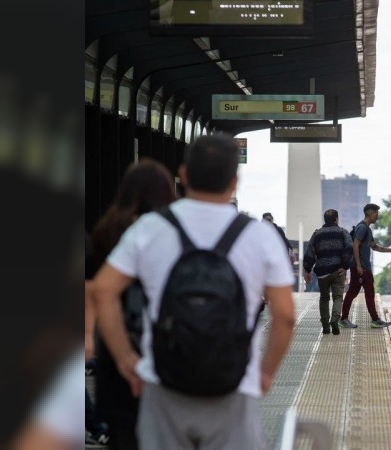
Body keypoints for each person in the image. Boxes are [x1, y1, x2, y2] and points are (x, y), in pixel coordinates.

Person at [93, 134, 296, 450]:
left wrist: (125, 358)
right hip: (234, 387)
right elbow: (284, 315)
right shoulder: (259, 235)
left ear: (184, 175)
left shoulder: (150, 227)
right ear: (234, 181)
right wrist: (264, 373)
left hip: (162, 383)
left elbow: (103, 290)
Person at [87, 158, 176, 450]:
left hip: (114, 342)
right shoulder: (171, 232)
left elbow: (92, 286)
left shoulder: (106, 229)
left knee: (123, 431)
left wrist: (89, 335)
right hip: (160, 345)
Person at [339, 203, 391, 329]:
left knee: (356, 292)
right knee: (363, 293)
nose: (377, 216)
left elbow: (375, 247)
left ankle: (347, 318)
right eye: (376, 214)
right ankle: (370, 320)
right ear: (371, 214)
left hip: (363, 267)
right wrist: (358, 266)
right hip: (361, 268)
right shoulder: (362, 228)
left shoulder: (367, 229)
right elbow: (355, 245)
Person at [303, 209, 353, 335]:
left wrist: (307, 270)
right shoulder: (342, 232)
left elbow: (310, 252)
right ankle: (334, 319)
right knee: (338, 297)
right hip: (338, 271)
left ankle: (325, 326)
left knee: (324, 298)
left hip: (322, 272)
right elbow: (350, 247)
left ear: (324, 220)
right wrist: (345, 265)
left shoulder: (317, 234)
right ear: (337, 219)